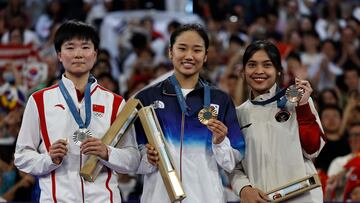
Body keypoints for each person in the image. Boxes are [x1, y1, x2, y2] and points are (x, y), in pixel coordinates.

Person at [14, 20, 140, 202]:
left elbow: (133, 158)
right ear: (59, 55)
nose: (78, 54)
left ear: (95, 54)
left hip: (103, 199)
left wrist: (107, 152)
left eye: (85, 47)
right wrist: (49, 159)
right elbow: (22, 156)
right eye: (70, 47)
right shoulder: (40, 100)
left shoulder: (115, 102)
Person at [134, 24, 245, 203]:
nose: (189, 56)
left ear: (206, 55)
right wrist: (146, 158)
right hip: (159, 197)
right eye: (182, 48)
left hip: (206, 197)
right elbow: (132, 158)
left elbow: (232, 162)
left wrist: (220, 142)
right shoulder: (146, 98)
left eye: (197, 50)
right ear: (171, 52)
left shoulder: (221, 100)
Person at [230, 40, 325, 203]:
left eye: (267, 65)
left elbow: (313, 150)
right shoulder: (238, 114)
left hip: (302, 197)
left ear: (279, 71)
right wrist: (244, 188)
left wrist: (302, 106)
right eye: (252, 65)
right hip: (261, 199)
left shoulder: (297, 102)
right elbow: (233, 164)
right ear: (243, 72)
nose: (259, 71)